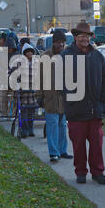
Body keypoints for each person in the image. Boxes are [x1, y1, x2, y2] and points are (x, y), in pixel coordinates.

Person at [61, 22, 105, 185]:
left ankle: (98, 172)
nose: (84, 39)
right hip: (76, 110)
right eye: (81, 36)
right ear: (75, 37)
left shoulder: (97, 56)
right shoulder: (65, 56)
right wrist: (70, 100)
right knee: (78, 144)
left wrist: (103, 102)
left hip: (95, 110)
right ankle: (81, 172)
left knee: (97, 144)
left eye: (87, 36)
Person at [37, 30, 73, 162]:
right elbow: (40, 78)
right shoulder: (45, 57)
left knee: (63, 125)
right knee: (52, 125)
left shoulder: (67, 56)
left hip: (63, 97)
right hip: (50, 97)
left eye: (63, 43)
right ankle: (53, 152)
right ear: (54, 43)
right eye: (59, 43)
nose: (62, 45)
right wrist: (39, 96)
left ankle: (63, 150)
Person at [0, 36, 20, 118]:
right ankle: (4, 114)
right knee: (3, 99)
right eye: (9, 48)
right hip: (3, 80)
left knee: (14, 99)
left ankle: (12, 114)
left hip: (14, 81)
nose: (10, 50)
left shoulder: (17, 55)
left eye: (12, 48)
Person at [19, 43, 39, 138]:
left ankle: (31, 129)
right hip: (23, 92)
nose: (30, 54)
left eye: (31, 52)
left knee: (31, 112)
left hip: (33, 91)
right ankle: (24, 129)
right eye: (28, 52)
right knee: (24, 112)